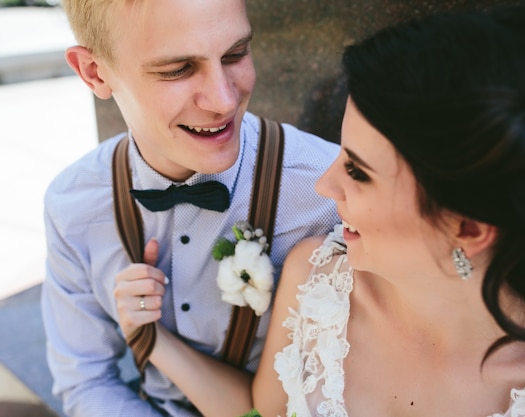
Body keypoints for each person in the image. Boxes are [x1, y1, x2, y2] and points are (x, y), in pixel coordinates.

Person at [142, 5, 525, 417]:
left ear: (468, 226)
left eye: (357, 171)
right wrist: (150, 338)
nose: (324, 185)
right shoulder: (317, 282)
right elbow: (261, 412)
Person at [40, 0, 340, 416]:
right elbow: (87, 381)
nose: (223, 100)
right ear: (94, 72)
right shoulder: (72, 204)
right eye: (177, 70)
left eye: (235, 54)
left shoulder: (328, 190)